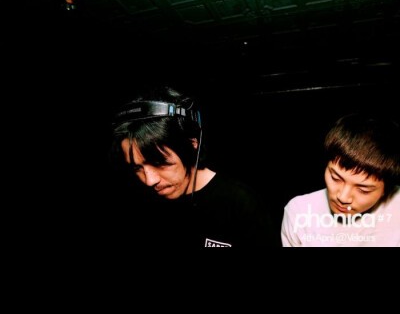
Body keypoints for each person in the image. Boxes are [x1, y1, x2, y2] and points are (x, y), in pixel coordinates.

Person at [107, 84, 278, 248]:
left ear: (192, 144)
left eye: (160, 163)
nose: (149, 181)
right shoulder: (139, 204)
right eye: (137, 168)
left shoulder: (241, 205)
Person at [281, 112, 400, 247]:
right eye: (335, 178)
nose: (343, 198)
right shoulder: (299, 212)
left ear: (387, 189)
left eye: (363, 190)